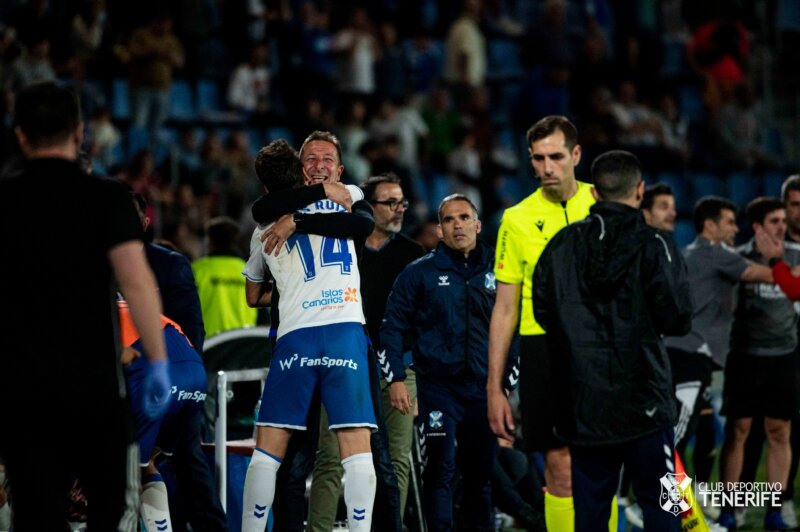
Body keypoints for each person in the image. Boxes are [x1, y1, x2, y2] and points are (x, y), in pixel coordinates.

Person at [0, 81, 170, 530]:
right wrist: (158, 360)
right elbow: (137, 282)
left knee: (37, 515)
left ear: (20, 135)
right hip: (94, 390)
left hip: (22, 392)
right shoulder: (108, 197)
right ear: (79, 132)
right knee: (107, 512)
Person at [533, 150, 692, 530]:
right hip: (646, 403)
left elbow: (543, 313)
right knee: (663, 509)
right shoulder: (658, 245)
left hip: (583, 403)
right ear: (640, 190)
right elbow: (678, 319)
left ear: (594, 194)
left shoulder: (560, 247)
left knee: (590, 514)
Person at [241, 139, 378, 532]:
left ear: (338, 168)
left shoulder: (264, 224)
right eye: (311, 159)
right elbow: (361, 223)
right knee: (356, 451)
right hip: (344, 333)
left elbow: (253, 292)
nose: (319, 166)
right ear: (301, 170)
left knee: (267, 452)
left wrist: (294, 221)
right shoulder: (347, 200)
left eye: (327, 159)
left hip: (295, 337)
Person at [486, 115, 595, 530]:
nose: (547, 167)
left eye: (556, 156)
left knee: (603, 467)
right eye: (538, 158)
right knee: (560, 468)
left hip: (602, 353)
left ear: (576, 155)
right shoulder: (515, 219)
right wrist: (494, 387)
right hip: (543, 351)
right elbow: (505, 308)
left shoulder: (603, 203)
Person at [308, 174, 425, 530]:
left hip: (400, 370)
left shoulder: (413, 255)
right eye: (390, 202)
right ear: (368, 208)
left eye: (401, 201)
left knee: (396, 461)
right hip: (345, 362)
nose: (399, 209)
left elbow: (421, 322)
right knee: (330, 457)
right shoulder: (344, 247)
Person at [381, 194, 500, 531]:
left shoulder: (500, 269)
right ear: (438, 230)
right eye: (449, 219)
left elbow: (516, 326)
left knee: (481, 475)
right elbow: (392, 326)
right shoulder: (418, 274)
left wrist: (507, 380)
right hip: (438, 390)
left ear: (477, 225)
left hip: (483, 389)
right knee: (440, 469)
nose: (457, 225)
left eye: (464, 217)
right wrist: (396, 379)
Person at [131, 193, 227, 532]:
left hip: (169, 375)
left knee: (183, 458)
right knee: (146, 465)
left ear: (146, 222)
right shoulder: (97, 264)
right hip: (133, 380)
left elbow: (191, 329)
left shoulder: (169, 264)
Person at [718, 197, 800, 531]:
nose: (783, 226)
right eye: (775, 221)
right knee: (738, 431)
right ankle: (729, 507)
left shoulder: (796, 256)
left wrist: (777, 263)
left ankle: (775, 510)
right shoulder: (736, 259)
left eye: (784, 220)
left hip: (784, 358)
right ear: (757, 227)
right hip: (745, 356)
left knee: (780, 432)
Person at [117, 300, 207, 532]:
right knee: (146, 465)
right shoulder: (134, 308)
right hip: (196, 378)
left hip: (158, 376)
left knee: (123, 469)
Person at [192, 217, 257, 337]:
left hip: (208, 346)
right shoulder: (251, 272)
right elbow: (263, 318)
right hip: (244, 346)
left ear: (210, 242)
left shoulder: (196, 270)